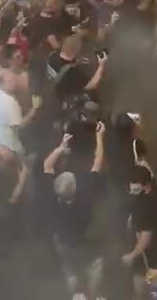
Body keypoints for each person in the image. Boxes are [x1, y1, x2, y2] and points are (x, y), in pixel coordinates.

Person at [43, 124, 106, 300]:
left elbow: (47, 165)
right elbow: (98, 162)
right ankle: (93, 294)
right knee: (95, 265)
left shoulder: (53, 196)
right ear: (74, 188)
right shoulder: (84, 199)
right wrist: (100, 137)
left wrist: (61, 147)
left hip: (62, 242)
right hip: (84, 243)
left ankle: (75, 293)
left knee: (69, 269)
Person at [123, 165, 157, 292]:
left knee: (142, 278)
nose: (132, 193)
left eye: (136, 190)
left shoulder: (146, 207)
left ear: (147, 187)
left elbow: (145, 238)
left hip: (150, 252)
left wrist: (131, 256)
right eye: (131, 189)